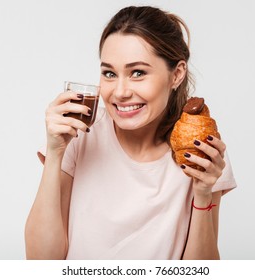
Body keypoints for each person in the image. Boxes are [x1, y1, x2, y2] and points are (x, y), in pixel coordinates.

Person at [25, 6, 237, 260]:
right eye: (110, 73)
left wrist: (203, 193)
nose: (120, 91)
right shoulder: (81, 134)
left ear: (176, 74)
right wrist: (55, 152)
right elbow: (41, 262)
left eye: (138, 73)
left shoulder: (200, 150)